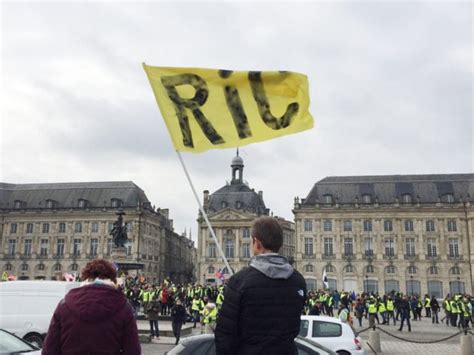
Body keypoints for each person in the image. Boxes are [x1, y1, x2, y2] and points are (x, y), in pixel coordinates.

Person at [215, 216, 306, 355]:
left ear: (256, 243)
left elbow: (225, 336)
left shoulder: (239, 281)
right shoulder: (298, 281)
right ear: (280, 244)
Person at [42, 259, 141, 354]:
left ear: (85, 278)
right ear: (112, 279)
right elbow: (132, 350)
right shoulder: (124, 307)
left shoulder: (64, 305)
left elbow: (50, 348)